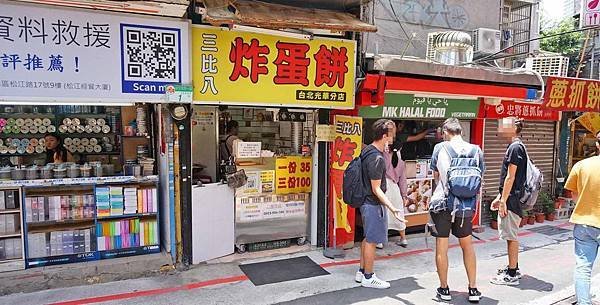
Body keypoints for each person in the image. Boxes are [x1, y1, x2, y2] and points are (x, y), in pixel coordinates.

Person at [429, 118, 484, 302]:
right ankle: (473, 289)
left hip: (443, 204)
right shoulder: (476, 150)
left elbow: (436, 176)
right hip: (465, 206)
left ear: (445, 132)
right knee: (467, 246)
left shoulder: (440, 148)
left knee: (442, 248)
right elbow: (479, 177)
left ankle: (444, 289)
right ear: (461, 132)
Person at [355, 119, 405, 289]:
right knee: (372, 240)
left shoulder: (367, 150)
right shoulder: (377, 158)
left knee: (367, 238)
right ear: (384, 136)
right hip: (372, 203)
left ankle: (362, 272)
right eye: (392, 134)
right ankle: (369, 276)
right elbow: (376, 188)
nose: (393, 138)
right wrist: (393, 208)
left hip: (365, 202)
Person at [564, 130, 600, 305]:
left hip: (584, 223)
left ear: (597, 144)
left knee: (583, 268)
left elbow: (573, 194)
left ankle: (584, 303)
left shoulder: (582, 166)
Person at [491, 119, 527, 286]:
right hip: (510, 198)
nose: (499, 128)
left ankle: (512, 274)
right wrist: (500, 198)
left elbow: (510, 177)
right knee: (510, 235)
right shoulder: (516, 146)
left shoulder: (515, 147)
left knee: (511, 236)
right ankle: (514, 267)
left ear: (512, 128)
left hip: (512, 200)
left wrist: (504, 200)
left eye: (502, 125)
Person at [383, 140, 409, 247]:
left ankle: (380, 241)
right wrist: (404, 195)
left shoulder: (384, 156)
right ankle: (403, 239)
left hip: (383, 187)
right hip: (395, 188)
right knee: (398, 214)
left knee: (383, 213)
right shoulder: (402, 162)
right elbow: (403, 180)